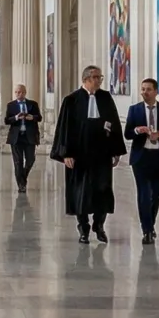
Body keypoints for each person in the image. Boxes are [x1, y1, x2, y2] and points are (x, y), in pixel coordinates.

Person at [50, 65, 126, 243]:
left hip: (102, 154)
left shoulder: (105, 98)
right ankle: (83, 228)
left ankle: (98, 225)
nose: (99, 80)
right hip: (79, 155)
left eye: (100, 77)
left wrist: (116, 151)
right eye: (96, 77)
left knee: (103, 190)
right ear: (86, 79)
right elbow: (64, 128)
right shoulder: (71, 100)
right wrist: (66, 153)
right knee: (81, 193)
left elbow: (114, 123)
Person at [125, 78, 159, 245]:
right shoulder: (134, 110)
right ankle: (146, 230)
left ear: (156, 91)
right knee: (143, 193)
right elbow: (127, 133)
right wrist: (137, 130)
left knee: (156, 194)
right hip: (140, 157)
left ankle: (151, 224)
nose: (145, 92)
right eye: (142, 89)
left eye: (148, 89)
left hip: (158, 157)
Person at [3, 83, 41, 188]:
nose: (17, 94)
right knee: (18, 161)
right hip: (16, 137)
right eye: (16, 92)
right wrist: (16, 118)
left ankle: (23, 176)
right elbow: (6, 120)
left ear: (24, 92)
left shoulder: (33, 104)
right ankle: (21, 185)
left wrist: (31, 117)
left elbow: (39, 117)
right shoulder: (11, 105)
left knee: (30, 159)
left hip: (29, 136)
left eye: (20, 92)